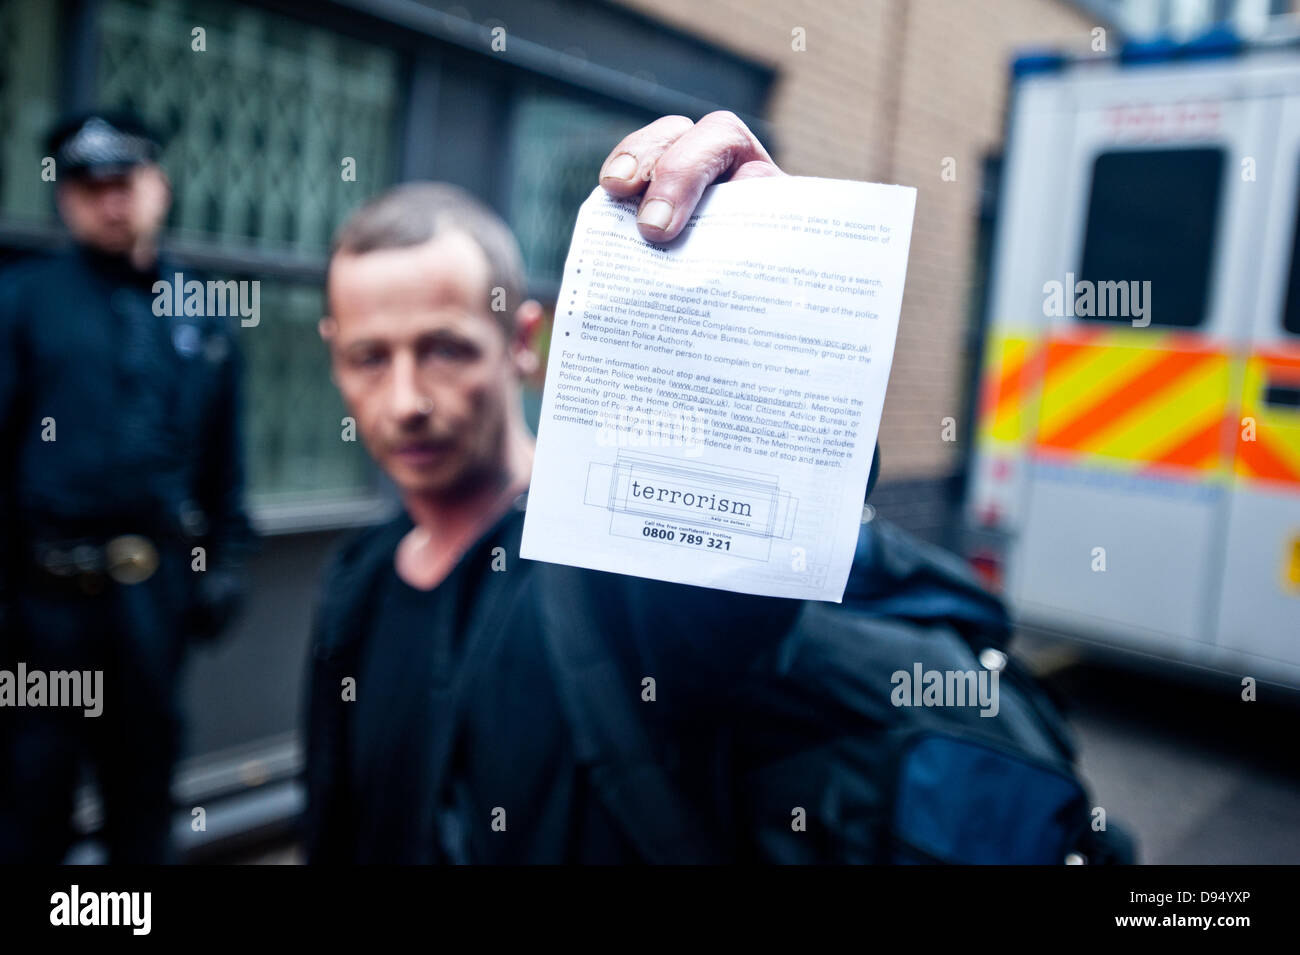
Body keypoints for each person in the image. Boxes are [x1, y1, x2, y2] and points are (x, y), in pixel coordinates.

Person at [0, 110, 252, 863]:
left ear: (160, 185)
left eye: (125, 181)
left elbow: (223, 456)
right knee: (28, 800)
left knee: (143, 799)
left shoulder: (202, 307)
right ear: (64, 198)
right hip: (38, 614)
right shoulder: (21, 299)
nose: (110, 200)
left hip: (152, 602)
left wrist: (227, 557)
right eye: (88, 186)